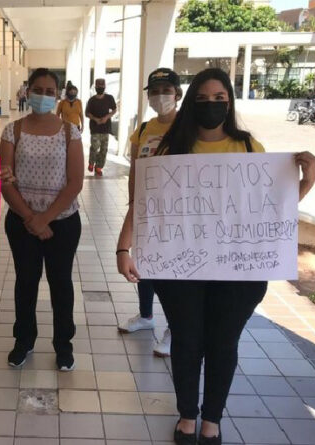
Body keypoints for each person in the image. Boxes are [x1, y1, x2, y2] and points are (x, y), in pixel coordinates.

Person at [118, 68, 315, 445]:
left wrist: (304, 183)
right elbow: (143, 203)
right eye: (204, 99)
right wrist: (123, 247)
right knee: (187, 341)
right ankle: (187, 416)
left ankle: (212, 418)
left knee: (224, 343)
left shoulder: (248, 148)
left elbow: (268, 210)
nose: (212, 106)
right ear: (191, 101)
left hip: (238, 272)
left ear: (230, 102)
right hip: (180, 268)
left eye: (219, 99)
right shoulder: (169, 148)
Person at [0, 68, 84, 372]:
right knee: (26, 282)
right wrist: (30, 217)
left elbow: (75, 182)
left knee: (61, 283)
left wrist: (45, 218)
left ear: (58, 95)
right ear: (27, 91)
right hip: (22, 222)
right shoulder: (13, 131)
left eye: (50, 91)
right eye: (38, 89)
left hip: (62, 222)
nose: (44, 96)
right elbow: (5, 181)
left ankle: (63, 345)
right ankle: (24, 341)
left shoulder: (70, 132)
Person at [116, 68, 182, 358]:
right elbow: (135, 169)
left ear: (177, 94)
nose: (159, 97)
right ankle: (146, 317)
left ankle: (174, 330)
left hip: (177, 214)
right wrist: (133, 201)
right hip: (146, 210)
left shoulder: (188, 128)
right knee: (144, 264)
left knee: (174, 273)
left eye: (165, 91)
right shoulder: (143, 130)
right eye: (154, 92)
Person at [85, 78, 116, 176]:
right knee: (94, 147)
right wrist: (95, 119)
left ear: (105, 87)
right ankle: (91, 163)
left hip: (105, 128)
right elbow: (87, 113)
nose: (100, 88)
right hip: (95, 128)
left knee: (104, 149)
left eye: (102, 86)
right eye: (98, 86)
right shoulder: (92, 100)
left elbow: (114, 110)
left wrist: (106, 117)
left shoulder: (109, 98)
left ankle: (98, 167)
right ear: (95, 87)